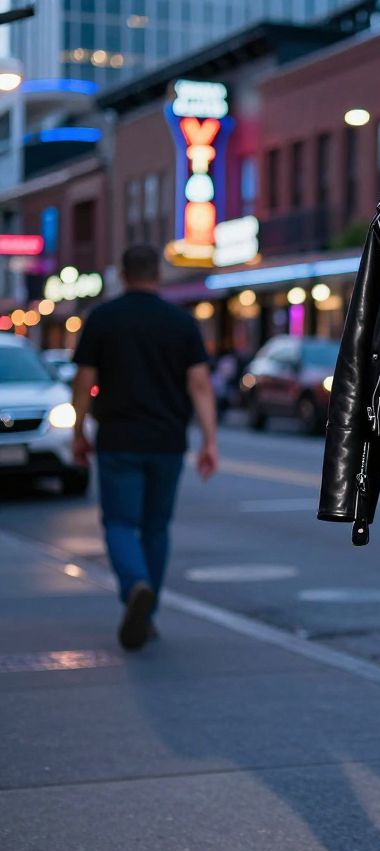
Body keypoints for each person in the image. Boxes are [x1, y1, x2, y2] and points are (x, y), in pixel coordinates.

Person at [70, 244, 218, 650]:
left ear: (122, 273)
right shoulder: (180, 322)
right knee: (155, 527)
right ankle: (147, 612)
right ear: (159, 274)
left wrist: (78, 432)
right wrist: (209, 440)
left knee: (119, 524)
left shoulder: (103, 317)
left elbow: (83, 381)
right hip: (168, 440)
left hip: (118, 439)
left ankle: (135, 585)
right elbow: (201, 384)